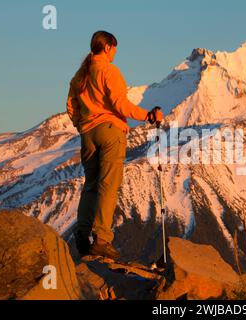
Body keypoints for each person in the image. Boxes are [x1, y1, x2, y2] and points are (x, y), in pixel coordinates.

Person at [66, 31, 162, 260]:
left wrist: (82, 125)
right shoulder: (109, 71)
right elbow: (120, 104)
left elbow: (71, 106)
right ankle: (102, 239)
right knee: (108, 186)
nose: (116, 52)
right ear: (107, 47)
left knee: (90, 185)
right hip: (110, 131)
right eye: (115, 48)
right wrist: (147, 115)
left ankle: (82, 235)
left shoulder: (80, 76)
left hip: (88, 135)